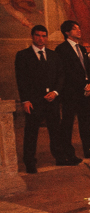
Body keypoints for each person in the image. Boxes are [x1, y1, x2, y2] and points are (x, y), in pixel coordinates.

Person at [15, 25, 70, 172]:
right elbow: (21, 80)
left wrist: (56, 92)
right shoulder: (23, 55)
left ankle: (59, 157)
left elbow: (61, 76)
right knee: (31, 132)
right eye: (38, 35)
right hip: (34, 101)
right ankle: (30, 162)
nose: (41, 38)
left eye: (44, 36)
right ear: (32, 36)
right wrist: (25, 100)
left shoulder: (53, 56)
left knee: (55, 130)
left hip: (52, 99)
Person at [55, 20, 90, 162]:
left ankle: (89, 150)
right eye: (75, 29)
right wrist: (82, 85)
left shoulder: (82, 49)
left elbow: (88, 69)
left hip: (86, 91)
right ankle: (67, 153)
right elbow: (66, 72)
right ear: (67, 32)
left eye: (79, 28)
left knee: (86, 122)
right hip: (71, 92)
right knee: (68, 123)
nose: (79, 31)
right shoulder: (62, 49)